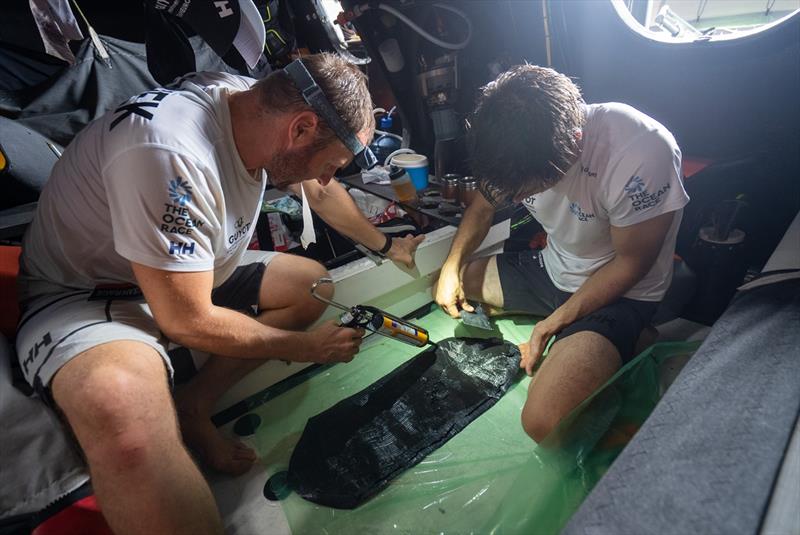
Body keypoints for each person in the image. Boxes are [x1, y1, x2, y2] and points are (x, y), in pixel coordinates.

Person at [15, 52, 423, 534]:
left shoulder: (251, 100)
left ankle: (194, 404)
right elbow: (187, 321)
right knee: (122, 413)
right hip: (88, 290)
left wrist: (387, 246)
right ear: (301, 129)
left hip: (190, 268)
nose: (328, 176)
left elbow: (317, 189)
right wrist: (305, 348)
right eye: (332, 164)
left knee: (310, 286)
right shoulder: (171, 153)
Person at [435, 64, 689, 443]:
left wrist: (553, 323)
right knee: (457, 286)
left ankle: (632, 336)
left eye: (527, 189)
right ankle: (588, 343)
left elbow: (632, 264)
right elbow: (484, 206)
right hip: (554, 268)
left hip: (620, 292)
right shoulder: (509, 142)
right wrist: (450, 268)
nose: (516, 199)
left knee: (545, 423)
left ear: (574, 141)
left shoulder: (640, 152)